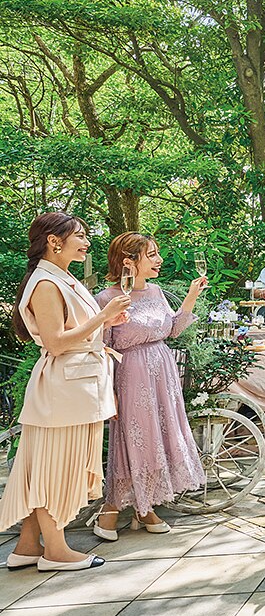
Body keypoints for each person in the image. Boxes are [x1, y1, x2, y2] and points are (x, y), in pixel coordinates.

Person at [1, 212, 130, 572]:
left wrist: (105, 321)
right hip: (63, 391)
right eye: (80, 235)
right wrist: (102, 317)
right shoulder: (45, 283)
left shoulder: (61, 278)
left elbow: (75, 329)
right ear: (54, 241)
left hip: (76, 386)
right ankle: (56, 551)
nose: (87, 242)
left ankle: (28, 546)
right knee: (54, 469)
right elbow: (56, 343)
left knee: (44, 466)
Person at [91, 234, 208, 540]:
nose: (159, 260)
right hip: (131, 376)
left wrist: (192, 296)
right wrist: (108, 392)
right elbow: (100, 347)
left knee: (160, 438)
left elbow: (173, 330)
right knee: (136, 440)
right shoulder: (106, 298)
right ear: (129, 261)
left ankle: (145, 508)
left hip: (163, 374)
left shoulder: (156, 291)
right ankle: (111, 507)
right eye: (152, 254)